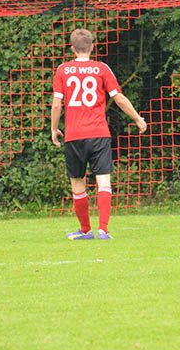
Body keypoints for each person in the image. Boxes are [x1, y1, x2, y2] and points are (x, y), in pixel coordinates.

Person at [51, 29, 147, 240]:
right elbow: (119, 98)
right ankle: (104, 229)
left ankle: (86, 230)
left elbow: (57, 104)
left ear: (72, 48)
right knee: (104, 182)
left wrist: (54, 129)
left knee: (78, 183)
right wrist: (137, 118)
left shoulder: (63, 70)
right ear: (92, 47)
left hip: (74, 135)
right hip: (99, 133)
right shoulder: (101, 68)